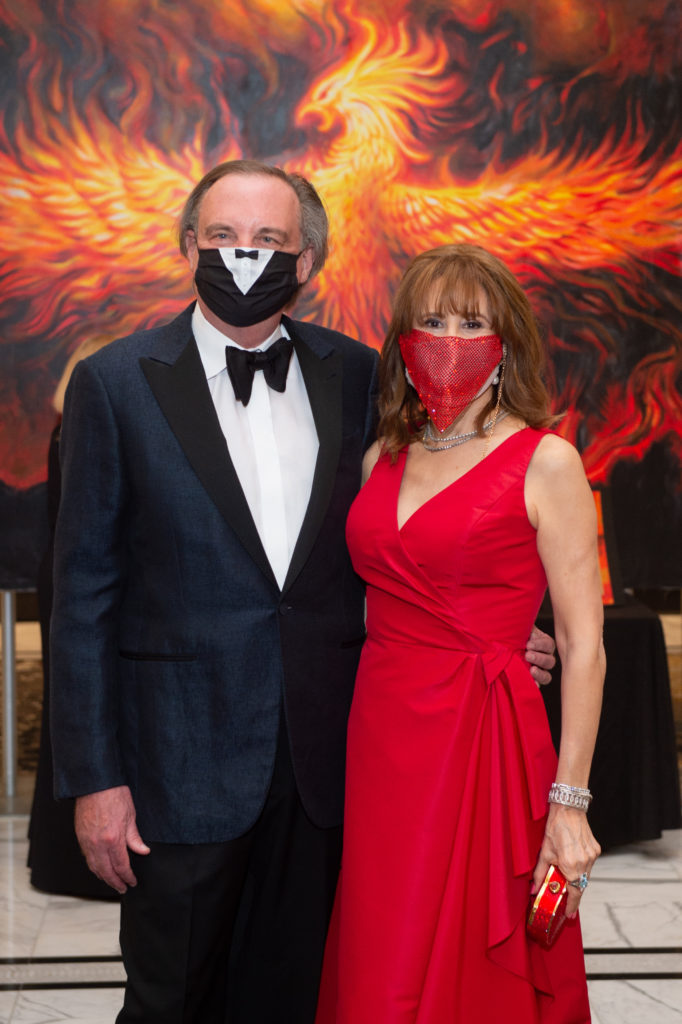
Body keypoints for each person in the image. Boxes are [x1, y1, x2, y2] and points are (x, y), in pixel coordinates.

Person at [50, 164, 557, 1024]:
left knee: (302, 998)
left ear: (308, 260)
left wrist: (502, 627)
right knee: (170, 1001)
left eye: (270, 240)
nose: (244, 255)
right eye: (223, 237)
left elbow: (436, 506)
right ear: (188, 246)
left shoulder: (357, 374)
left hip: (332, 763)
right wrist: (96, 780)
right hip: (178, 766)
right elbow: (82, 599)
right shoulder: (115, 382)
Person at [315, 243, 605, 1023]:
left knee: (474, 954)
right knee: (383, 943)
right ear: (403, 346)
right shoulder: (382, 456)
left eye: (472, 324)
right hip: (381, 736)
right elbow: (375, 600)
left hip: (483, 737)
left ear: (506, 344)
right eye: (432, 322)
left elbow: (583, 645)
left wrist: (570, 803)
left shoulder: (547, 462)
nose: (449, 340)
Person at [28, 338, 117, 899]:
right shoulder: (87, 433)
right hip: (79, 584)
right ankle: (70, 858)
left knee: (67, 712)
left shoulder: (64, 432)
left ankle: (53, 853)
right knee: (84, 712)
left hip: (59, 578)